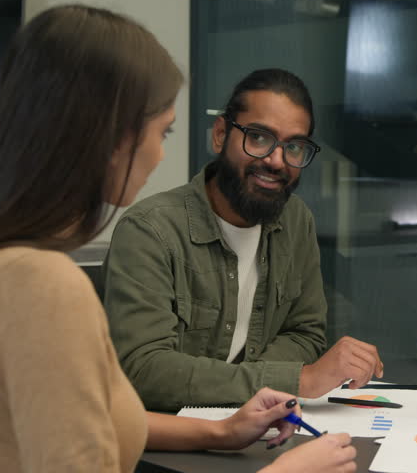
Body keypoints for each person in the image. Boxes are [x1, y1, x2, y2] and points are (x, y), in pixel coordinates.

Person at [0, 5, 355, 473]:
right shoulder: (44, 284)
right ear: (110, 136)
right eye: (163, 131)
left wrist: (222, 431)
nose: (161, 152)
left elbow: (101, 416)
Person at [103, 68, 383, 411]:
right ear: (220, 134)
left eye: (294, 146)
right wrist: (295, 380)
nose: (276, 160)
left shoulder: (296, 221)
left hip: (261, 427)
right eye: (259, 137)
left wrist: (246, 385)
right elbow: (143, 370)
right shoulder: (150, 230)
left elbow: (306, 333)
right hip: (169, 443)